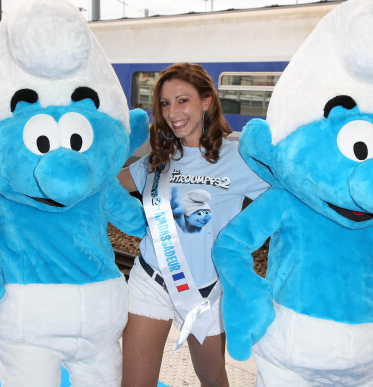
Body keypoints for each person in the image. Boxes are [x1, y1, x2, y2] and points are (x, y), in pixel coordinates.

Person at [117, 62, 269, 386]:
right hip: (151, 281)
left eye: (182, 100)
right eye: (165, 103)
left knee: (212, 377)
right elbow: (105, 185)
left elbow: (292, 199)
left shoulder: (240, 158)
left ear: (206, 102)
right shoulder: (157, 159)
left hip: (204, 292)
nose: (172, 112)